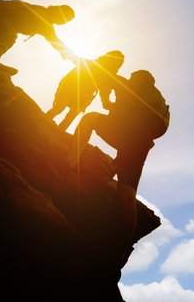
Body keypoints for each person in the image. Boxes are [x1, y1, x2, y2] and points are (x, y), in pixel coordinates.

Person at [68, 69, 170, 260]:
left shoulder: (130, 85)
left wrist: (106, 99)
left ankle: (71, 159)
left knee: (89, 119)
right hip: (140, 143)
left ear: (137, 78)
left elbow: (102, 74)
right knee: (127, 194)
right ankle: (124, 246)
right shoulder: (156, 99)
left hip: (125, 133)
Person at [0, 0, 76, 65]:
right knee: (9, 36)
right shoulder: (44, 17)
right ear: (59, 13)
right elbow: (56, 42)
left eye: (65, 22)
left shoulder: (41, 11)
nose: (62, 23)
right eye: (64, 19)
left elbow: (56, 41)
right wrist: (73, 58)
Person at [46, 50, 125, 131]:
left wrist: (107, 102)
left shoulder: (107, 76)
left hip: (84, 96)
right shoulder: (92, 64)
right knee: (59, 108)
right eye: (115, 61)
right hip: (69, 87)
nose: (115, 65)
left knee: (72, 114)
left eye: (118, 63)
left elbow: (105, 92)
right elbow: (73, 57)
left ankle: (60, 131)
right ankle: (44, 121)